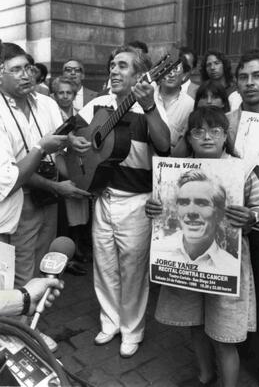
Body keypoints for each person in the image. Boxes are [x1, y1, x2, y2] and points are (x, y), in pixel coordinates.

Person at [145, 107, 259, 387]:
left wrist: (252, 215)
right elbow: (164, 213)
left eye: (215, 131)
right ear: (189, 137)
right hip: (186, 264)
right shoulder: (175, 171)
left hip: (228, 264)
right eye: (198, 131)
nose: (207, 137)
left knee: (223, 335)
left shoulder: (243, 170)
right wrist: (153, 208)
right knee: (195, 325)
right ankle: (205, 376)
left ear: (226, 136)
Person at [69, 45, 170, 358]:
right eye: (112, 65)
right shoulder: (97, 104)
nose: (114, 71)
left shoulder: (149, 105)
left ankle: (132, 329)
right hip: (103, 196)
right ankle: (110, 321)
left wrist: (150, 107)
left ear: (140, 75)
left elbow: (165, 145)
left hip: (136, 202)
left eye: (122, 66)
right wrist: (76, 140)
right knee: (105, 266)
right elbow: (73, 133)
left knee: (133, 270)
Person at [0, 43, 89, 288]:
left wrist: (71, 141)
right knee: (20, 273)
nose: (26, 74)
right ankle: (18, 326)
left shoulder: (47, 104)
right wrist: (41, 149)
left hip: (47, 198)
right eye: (16, 70)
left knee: (43, 263)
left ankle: (31, 326)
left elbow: (58, 143)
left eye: (28, 67)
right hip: (19, 201)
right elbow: (13, 174)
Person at [228, 48, 259, 382]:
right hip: (235, 229)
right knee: (241, 299)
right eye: (243, 76)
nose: (249, 82)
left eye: (257, 75)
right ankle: (244, 359)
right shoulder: (227, 124)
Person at [150, 169, 238, 275]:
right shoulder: (157, 251)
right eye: (184, 203)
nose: (191, 212)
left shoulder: (230, 267)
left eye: (201, 203)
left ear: (219, 214)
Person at [52, 76, 91, 275]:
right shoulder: (52, 113)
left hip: (80, 166)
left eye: (69, 92)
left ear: (75, 95)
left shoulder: (80, 115)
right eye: (61, 92)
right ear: (54, 94)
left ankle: (78, 248)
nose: (65, 96)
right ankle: (66, 257)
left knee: (81, 210)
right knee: (64, 216)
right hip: (60, 167)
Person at [154, 55, 194, 148]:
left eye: (176, 69)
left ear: (184, 75)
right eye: (167, 69)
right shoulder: (149, 96)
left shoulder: (189, 104)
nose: (171, 74)